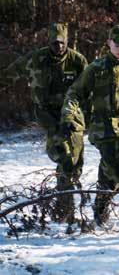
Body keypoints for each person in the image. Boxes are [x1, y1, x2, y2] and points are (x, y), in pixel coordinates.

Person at [61, 24, 119, 230]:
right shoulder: (96, 69)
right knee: (110, 172)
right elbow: (75, 92)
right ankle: (101, 210)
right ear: (109, 43)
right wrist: (68, 115)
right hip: (105, 129)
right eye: (117, 44)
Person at [4, 23, 88, 223]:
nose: (58, 46)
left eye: (61, 42)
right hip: (48, 116)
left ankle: (64, 205)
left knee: (76, 164)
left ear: (66, 41)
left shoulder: (77, 61)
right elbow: (9, 74)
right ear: (49, 42)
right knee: (64, 156)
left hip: (72, 115)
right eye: (54, 43)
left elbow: (89, 87)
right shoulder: (36, 59)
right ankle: (64, 211)